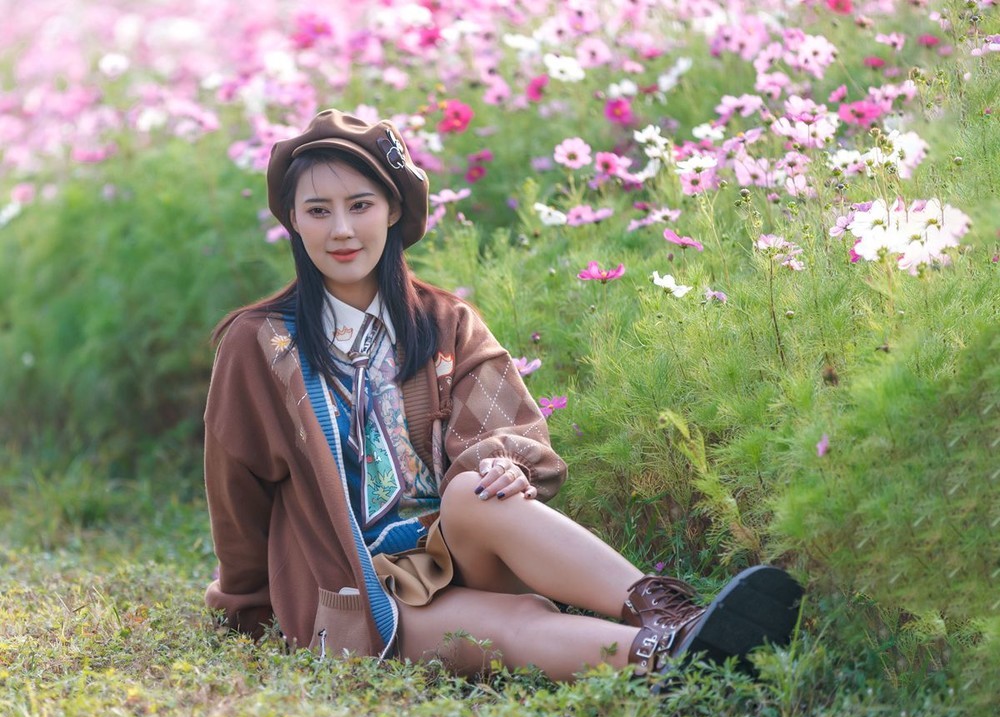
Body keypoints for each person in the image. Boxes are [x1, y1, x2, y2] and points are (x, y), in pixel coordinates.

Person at [203, 109, 803, 684]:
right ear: (293, 220)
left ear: (393, 210)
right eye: (318, 210)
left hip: (459, 550)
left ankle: (672, 613)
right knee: (515, 622)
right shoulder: (261, 345)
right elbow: (236, 494)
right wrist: (246, 607)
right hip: (360, 591)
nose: (341, 229)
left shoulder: (444, 322)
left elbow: (504, 428)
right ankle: (676, 655)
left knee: (474, 489)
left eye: (360, 205)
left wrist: (504, 465)